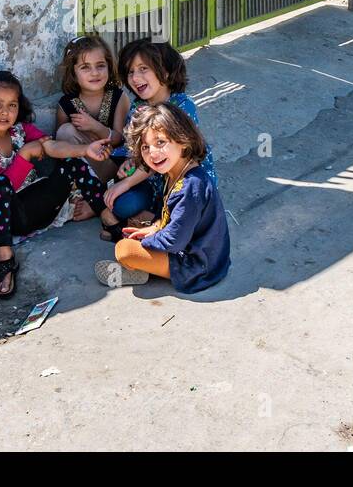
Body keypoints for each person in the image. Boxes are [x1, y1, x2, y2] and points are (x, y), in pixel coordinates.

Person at [0, 69, 119, 299]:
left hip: (39, 206)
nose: (5, 112)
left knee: (70, 162)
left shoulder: (20, 130)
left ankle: (107, 217)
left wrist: (84, 150)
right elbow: (4, 189)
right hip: (8, 218)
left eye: (12, 105)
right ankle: (5, 260)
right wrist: (24, 156)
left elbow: (52, 147)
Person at [95, 102, 230, 294]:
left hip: (197, 266)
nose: (153, 153)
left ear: (183, 140)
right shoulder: (176, 171)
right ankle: (145, 268)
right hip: (197, 249)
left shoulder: (190, 187)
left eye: (160, 142)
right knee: (138, 225)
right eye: (145, 147)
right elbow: (176, 218)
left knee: (124, 250)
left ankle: (143, 269)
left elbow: (175, 241)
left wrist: (146, 242)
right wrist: (154, 228)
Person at [102, 39, 217, 238]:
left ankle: (147, 224)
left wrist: (126, 183)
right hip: (152, 183)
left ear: (165, 71)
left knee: (188, 211)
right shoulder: (138, 108)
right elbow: (140, 151)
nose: (135, 78)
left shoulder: (182, 106)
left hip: (181, 184)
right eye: (130, 72)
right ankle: (149, 221)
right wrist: (131, 161)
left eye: (143, 68)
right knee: (122, 204)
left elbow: (164, 155)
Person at [53, 35, 130, 221]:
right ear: (73, 72)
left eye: (100, 65)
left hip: (113, 167)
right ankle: (91, 197)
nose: (94, 73)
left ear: (109, 66)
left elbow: (119, 139)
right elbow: (60, 150)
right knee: (64, 132)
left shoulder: (119, 97)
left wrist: (94, 126)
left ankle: (96, 204)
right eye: (85, 67)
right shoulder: (66, 104)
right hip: (83, 172)